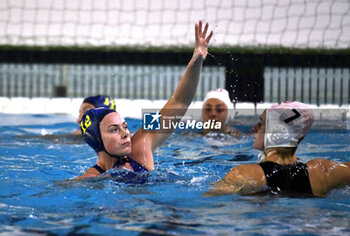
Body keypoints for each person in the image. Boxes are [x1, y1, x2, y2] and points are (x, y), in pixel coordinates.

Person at [76, 20, 213, 179]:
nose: (125, 134)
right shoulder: (91, 178)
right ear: (97, 140)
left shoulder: (141, 143)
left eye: (125, 126)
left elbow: (179, 102)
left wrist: (196, 62)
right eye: (114, 129)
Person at [204, 101, 350, 197]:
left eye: (261, 124)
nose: (254, 128)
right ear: (300, 138)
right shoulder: (324, 171)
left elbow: (208, 204)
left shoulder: (244, 173)